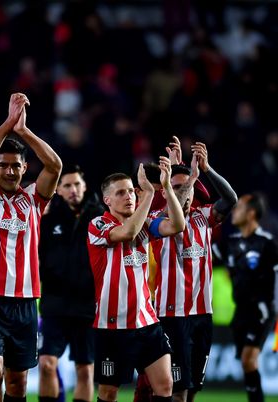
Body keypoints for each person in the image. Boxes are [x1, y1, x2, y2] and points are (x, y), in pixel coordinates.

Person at [0, 93, 62, 402]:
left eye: (16, 166)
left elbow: (55, 165)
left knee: (18, 384)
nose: (10, 171)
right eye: (4, 165)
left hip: (24, 301)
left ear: (24, 169)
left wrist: (23, 132)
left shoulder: (33, 199)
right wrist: (8, 124)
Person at [87, 158, 185, 402]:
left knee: (164, 386)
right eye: (121, 192)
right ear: (107, 200)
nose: (129, 196)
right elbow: (127, 232)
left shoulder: (146, 224)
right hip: (112, 326)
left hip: (147, 322)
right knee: (109, 393)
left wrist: (167, 188)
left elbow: (178, 225)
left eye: (132, 190)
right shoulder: (97, 224)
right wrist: (149, 195)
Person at [149, 142, 237, 402]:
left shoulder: (203, 217)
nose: (182, 192)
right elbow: (172, 218)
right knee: (177, 390)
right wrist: (190, 180)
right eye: (174, 188)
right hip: (171, 316)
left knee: (193, 390)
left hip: (202, 315)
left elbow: (230, 199)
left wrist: (206, 170)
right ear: (165, 192)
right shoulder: (156, 219)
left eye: (186, 187)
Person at [37, 164, 104, 402]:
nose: (73, 189)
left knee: (85, 371)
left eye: (77, 184)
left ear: (85, 186)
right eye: (67, 185)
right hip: (54, 304)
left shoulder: (100, 217)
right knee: (46, 364)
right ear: (58, 190)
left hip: (87, 307)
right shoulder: (47, 218)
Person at [223, 193, 278, 402]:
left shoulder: (266, 243)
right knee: (246, 365)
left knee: (248, 359)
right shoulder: (232, 243)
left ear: (251, 213)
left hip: (261, 310)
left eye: (239, 208)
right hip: (241, 312)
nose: (234, 212)